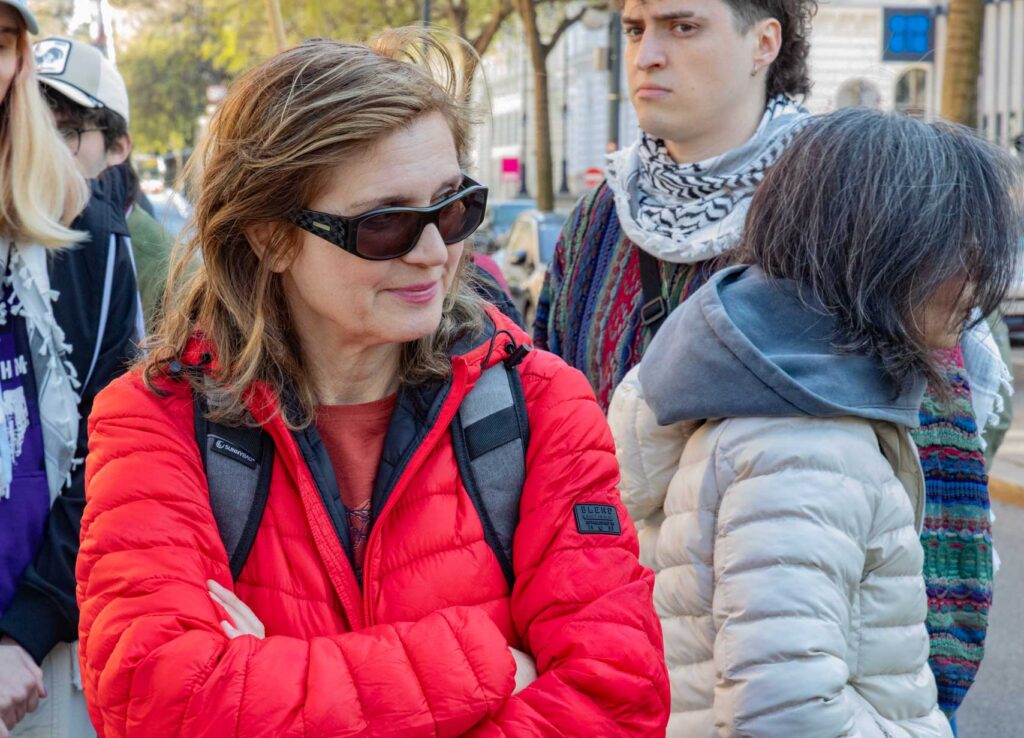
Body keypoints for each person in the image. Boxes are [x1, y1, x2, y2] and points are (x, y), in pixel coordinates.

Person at [76, 33, 669, 737]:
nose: (435, 253)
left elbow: (616, 699)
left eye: (454, 207)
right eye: (385, 224)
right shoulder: (155, 422)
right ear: (270, 237)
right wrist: (485, 665)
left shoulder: (543, 407)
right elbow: (155, 700)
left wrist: (265, 677)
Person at [608, 108, 1022, 737]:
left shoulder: (786, 394)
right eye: (960, 248)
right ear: (886, 250)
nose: (975, 283)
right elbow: (785, 714)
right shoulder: (805, 445)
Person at [534, 0, 815, 410]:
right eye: (635, 30)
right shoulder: (598, 217)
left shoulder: (832, 206)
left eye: (683, 28)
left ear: (764, 43)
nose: (645, 57)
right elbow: (548, 405)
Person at [0, 3, 140, 737]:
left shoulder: (102, 242)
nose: (51, 140)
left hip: (44, 654)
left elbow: (116, 453)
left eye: (71, 125)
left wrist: (27, 626)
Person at [35, 36, 171, 331]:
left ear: (118, 147)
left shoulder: (165, 275)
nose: (42, 150)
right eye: (31, 130)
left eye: (67, 132)